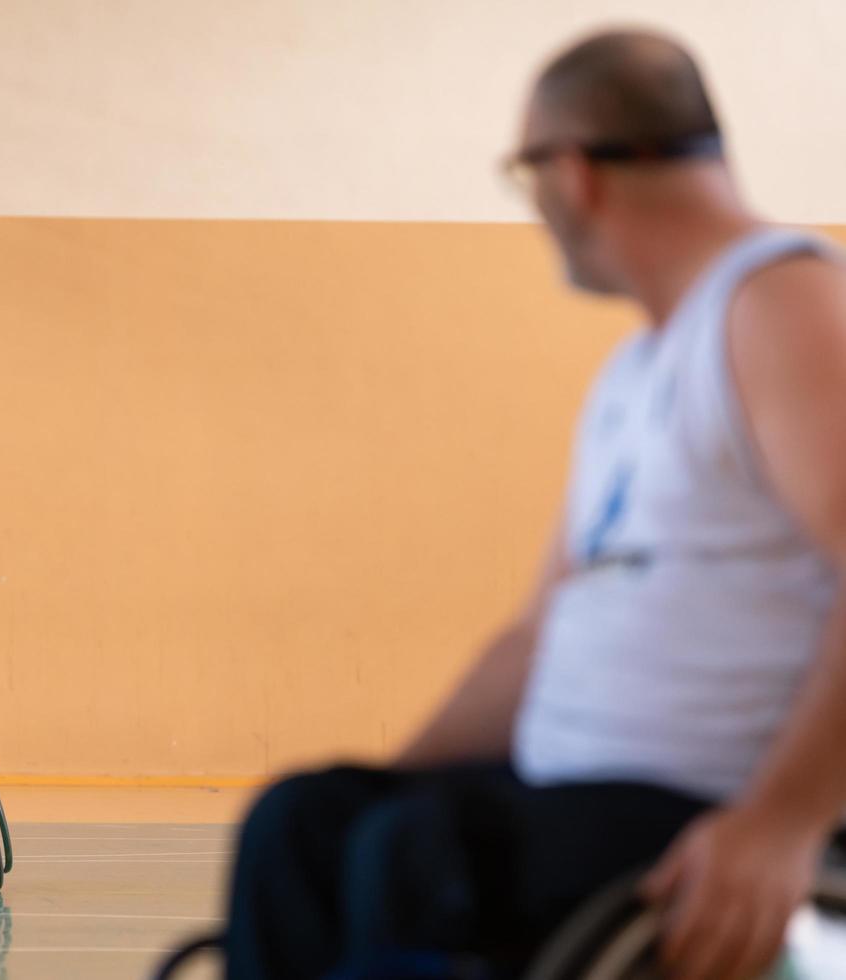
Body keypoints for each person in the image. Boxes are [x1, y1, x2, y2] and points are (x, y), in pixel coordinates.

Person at [225, 29, 846, 980]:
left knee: (419, 855)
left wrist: (785, 821)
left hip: (705, 812)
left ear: (574, 173)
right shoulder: (635, 371)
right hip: (576, 799)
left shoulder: (781, 302)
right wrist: (384, 783)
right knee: (305, 822)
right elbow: (535, 637)